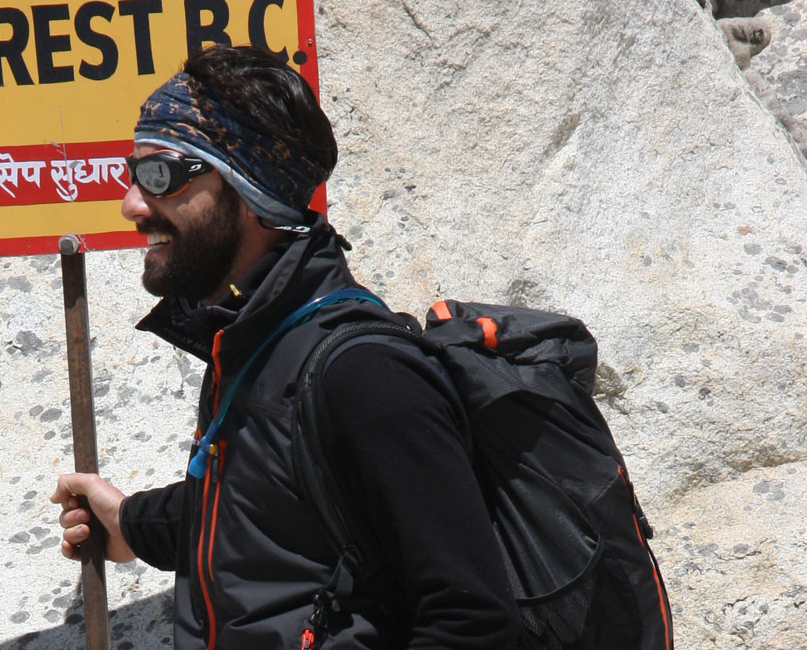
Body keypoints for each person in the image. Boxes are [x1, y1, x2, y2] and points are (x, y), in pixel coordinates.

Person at [51, 44, 518, 649]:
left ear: (249, 190)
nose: (132, 204)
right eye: (131, 173)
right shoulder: (256, 341)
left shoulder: (365, 374)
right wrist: (130, 523)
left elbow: (473, 625)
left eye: (160, 174)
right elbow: (262, 509)